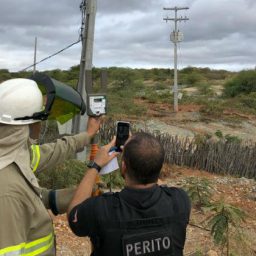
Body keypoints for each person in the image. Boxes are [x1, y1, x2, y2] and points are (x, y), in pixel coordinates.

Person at [0, 78, 101, 255]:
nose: (41, 125)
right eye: (40, 118)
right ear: (29, 125)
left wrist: (88, 135)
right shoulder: (7, 193)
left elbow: (54, 151)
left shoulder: (14, 153)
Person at [68, 132, 191, 256]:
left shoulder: (101, 209)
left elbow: (73, 216)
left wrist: (96, 165)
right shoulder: (179, 201)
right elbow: (158, 181)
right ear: (160, 167)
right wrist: (144, 160)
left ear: (124, 167)